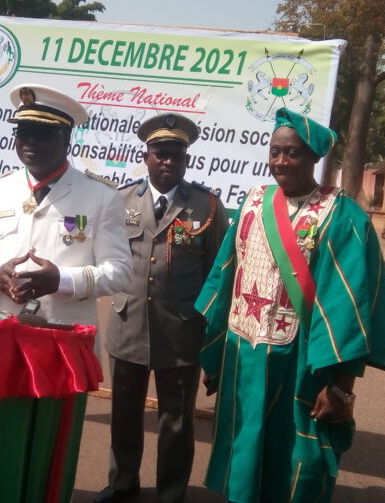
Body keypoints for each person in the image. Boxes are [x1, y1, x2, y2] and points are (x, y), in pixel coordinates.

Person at [197, 108, 385, 503]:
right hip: (244, 354)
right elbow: (226, 280)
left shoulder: (342, 216)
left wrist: (341, 386)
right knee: (243, 445)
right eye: (274, 152)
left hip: (301, 362)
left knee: (296, 458)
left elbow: (348, 305)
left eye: (291, 153)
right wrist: (215, 355)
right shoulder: (254, 203)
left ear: (313, 158)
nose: (280, 161)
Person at [97, 114, 228, 503]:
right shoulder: (120, 201)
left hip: (181, 330)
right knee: (124, 413)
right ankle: (123, 483)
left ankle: (171, 492)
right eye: (160, 153)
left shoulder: (206, 205)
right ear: (146, 155)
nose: (168, 161)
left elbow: (216, 275)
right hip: (128, 322)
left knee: (176, 420)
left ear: (186, 158)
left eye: (176, 154)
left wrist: (209, 334)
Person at [0, 83, 132, 327]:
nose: (30, 141)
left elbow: (120, 271)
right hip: (1, 332)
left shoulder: (101, 195)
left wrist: (63, 280)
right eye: (23, 132)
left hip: (64, 336)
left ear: (67, 138)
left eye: (42, 133)